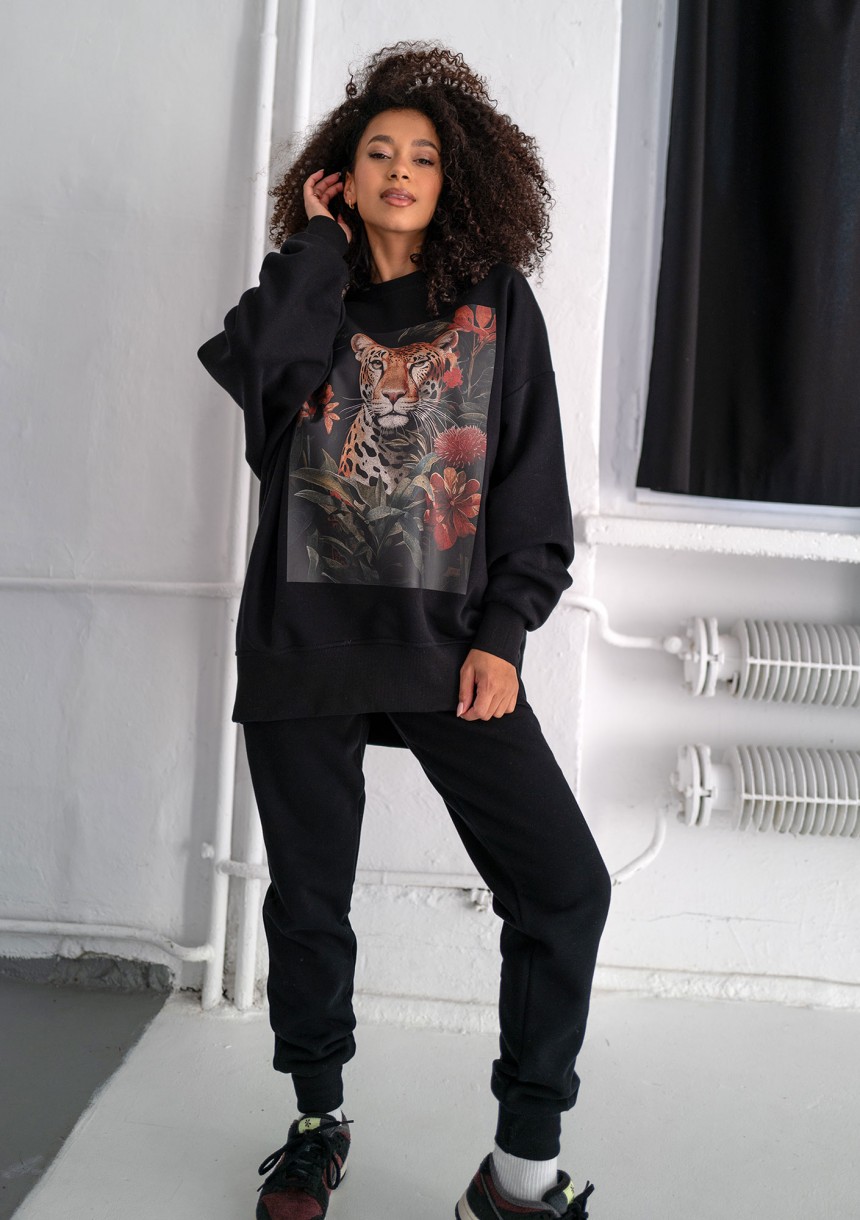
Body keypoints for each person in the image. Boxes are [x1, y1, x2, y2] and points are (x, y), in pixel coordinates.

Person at [197, 39, 612, 1220]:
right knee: (308, 901)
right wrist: (315, 249)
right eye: (376, 150)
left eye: (421, 156)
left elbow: (528, 482)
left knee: (563, 886)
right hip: (304, 642)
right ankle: (316, 1122)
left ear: (453, 177)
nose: (398, 169)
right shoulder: (301, 294)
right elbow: (263, 391)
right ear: (342, 173)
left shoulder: (494, 303)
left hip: (449, 647)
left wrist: (503, 633)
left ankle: (518, 1169)